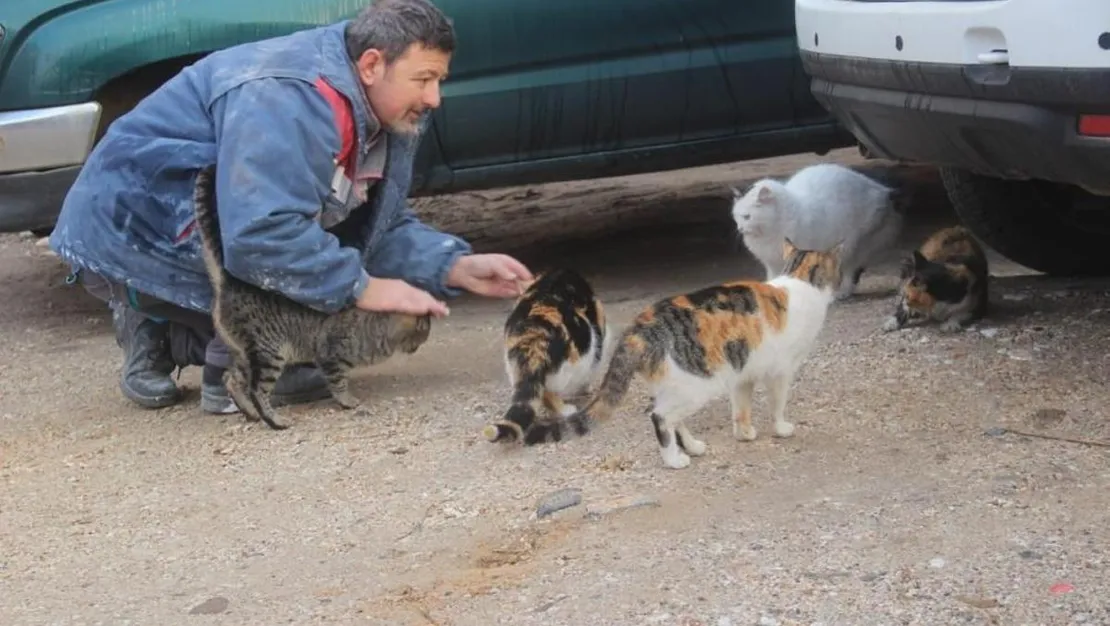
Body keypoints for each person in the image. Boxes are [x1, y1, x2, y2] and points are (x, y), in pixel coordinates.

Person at [48, 0, 532, 415]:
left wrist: (454, 265)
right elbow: (259, 236)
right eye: (423, 79)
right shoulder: (289, 97)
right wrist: (363, 285)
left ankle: (178, 332)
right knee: (301, 335)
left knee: (321, 308)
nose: (435, 98)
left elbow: (371, 225)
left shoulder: (378, 109)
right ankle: (155, 319)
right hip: (130, 235)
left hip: (207, 229)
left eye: (439, 80)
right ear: (370, 65)